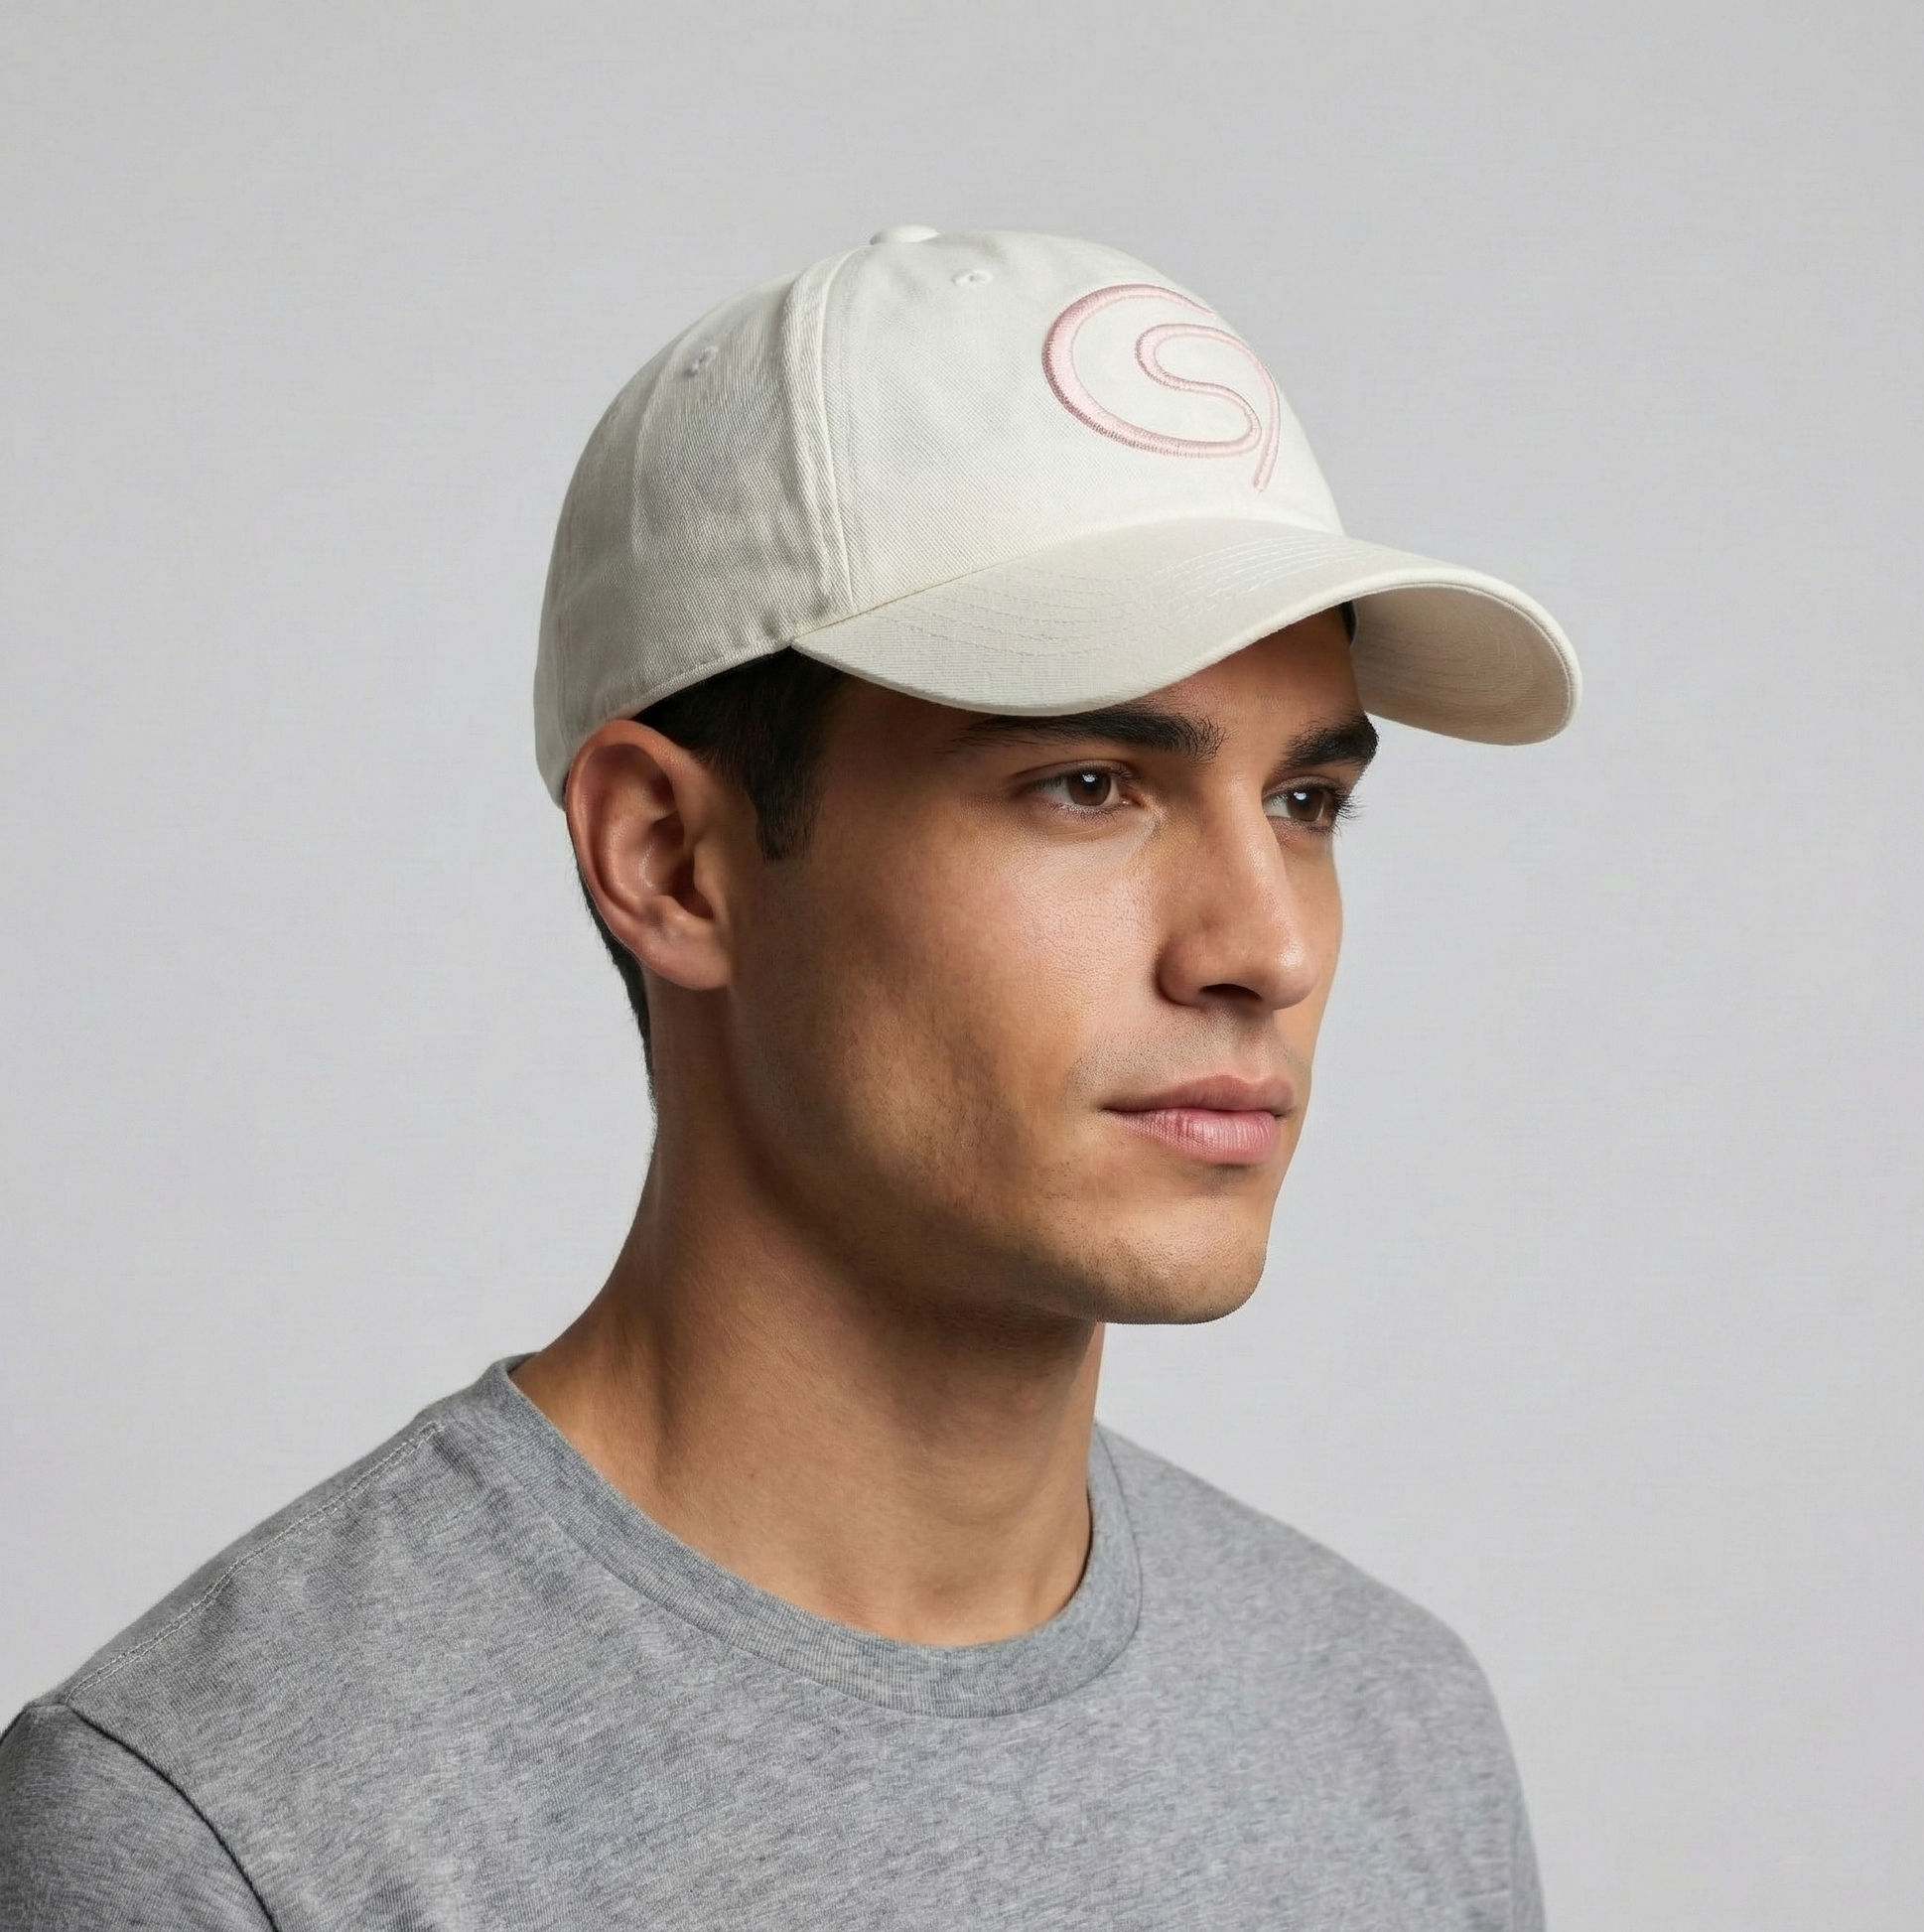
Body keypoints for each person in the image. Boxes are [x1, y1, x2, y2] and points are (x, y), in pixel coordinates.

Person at [0, 225, 1578, 1928]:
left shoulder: (1386, 1727)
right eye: (1085, 783)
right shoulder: (218, 1832)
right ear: (669, 859)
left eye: (1305, 802)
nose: (1263, 945)